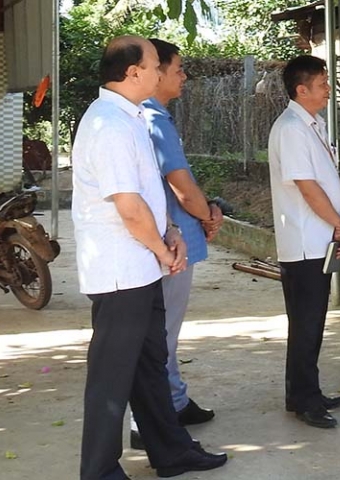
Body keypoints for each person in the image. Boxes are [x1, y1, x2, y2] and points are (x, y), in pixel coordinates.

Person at [72, 35, 228, 479]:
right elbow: (128, 206)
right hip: (121, 272)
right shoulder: (109, 124)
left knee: (150, 368)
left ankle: (171, 451)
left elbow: (148, 197)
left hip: (142, 266)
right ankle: (99, 471)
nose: (163, 73)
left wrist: (173, 232)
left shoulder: (132, 118)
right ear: (133, 72)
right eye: (157, 65)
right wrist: (163, 247)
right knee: (110, 379)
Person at [128, 39, 225, 450]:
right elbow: (181, 186)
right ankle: (150, 421)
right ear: (154, 72)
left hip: (169, 241)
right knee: (162, 334)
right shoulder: (153, 119)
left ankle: (176, 401)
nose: (183, 76)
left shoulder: (146, 118)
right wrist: (207, 215)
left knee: (164, 333)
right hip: (169, 245)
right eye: (177, 68)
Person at [267, 54, 340, 428]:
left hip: (323, 236)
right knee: (305, 323)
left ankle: (305, 391)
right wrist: (339, 222)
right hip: (305, 242)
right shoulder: (290, 128)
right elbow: (306, 186)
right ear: (300, 89)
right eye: (322, 84)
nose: (328, 90)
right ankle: (305, 400)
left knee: (313, 321)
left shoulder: (313, 124)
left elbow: (330, 178)